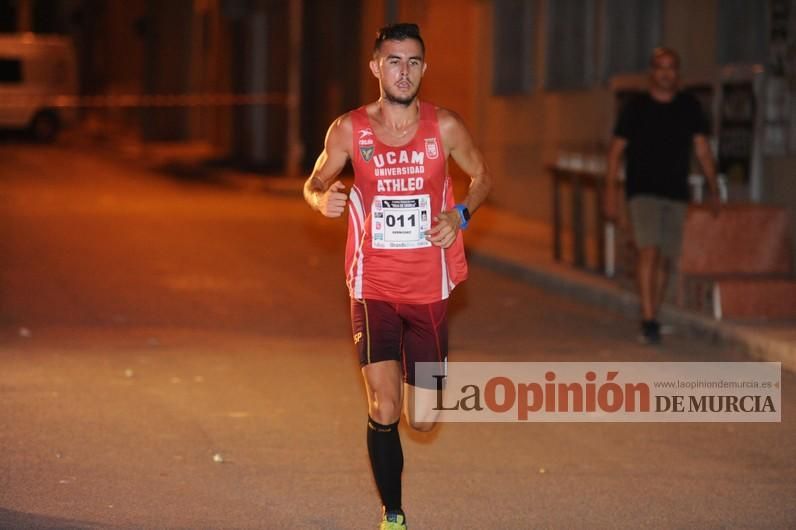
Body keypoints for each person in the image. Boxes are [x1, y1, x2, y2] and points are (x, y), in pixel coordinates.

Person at [303, 23, 492, 529]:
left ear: (423, 69)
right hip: (373, 288)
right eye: (393, 61)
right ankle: (393, 515)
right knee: (383, 404)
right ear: (375, 67)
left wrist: (462, 215)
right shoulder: (348, 130)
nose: (402, 71)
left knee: (423, 418)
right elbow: (315, 180)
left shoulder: (445, 127)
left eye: (411, 62)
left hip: (429, 290)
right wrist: (322, 199)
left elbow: (481, 176)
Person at [604, 47, 720, 344]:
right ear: (651, 73)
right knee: (648, 250)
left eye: (671, 67)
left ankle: (653, 312)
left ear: (677, 73)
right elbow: (616, 152)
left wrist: (713, 186)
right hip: (641, 191)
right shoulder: (636, 107)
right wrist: (610, 191)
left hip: (675, 191)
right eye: (660, 67)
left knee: (666, 258)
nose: (666, 72)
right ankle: (648, 319)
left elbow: (702, 148)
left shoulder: (689, 106)